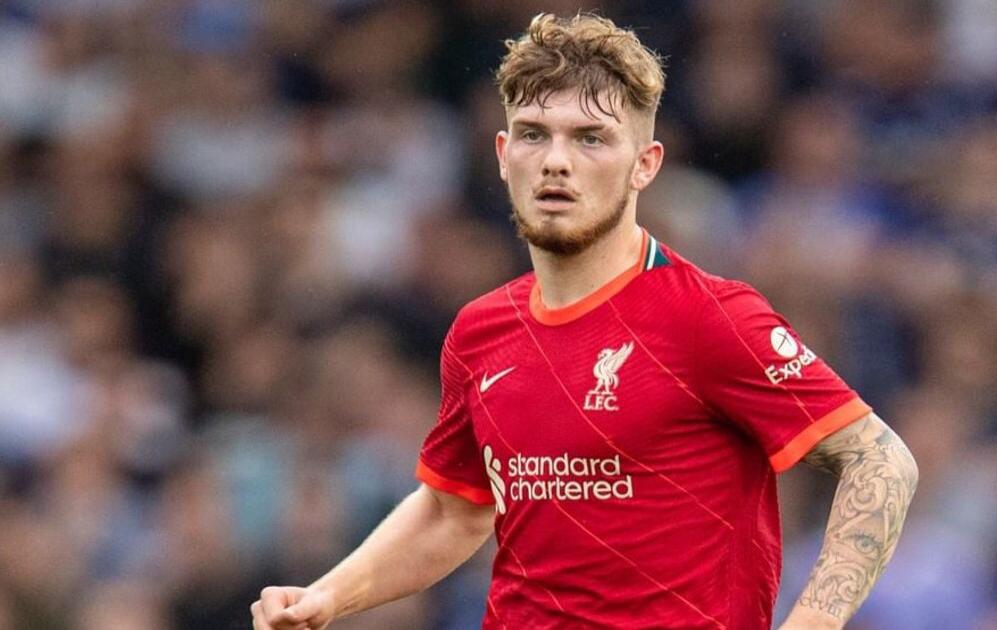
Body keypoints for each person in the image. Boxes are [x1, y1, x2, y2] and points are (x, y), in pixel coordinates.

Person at [251, 13, 918, 630]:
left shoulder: (706, 316)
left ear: (644, 165)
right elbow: (454, 510)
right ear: (503, 154)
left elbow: (879, 461)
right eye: (534, 134)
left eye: (590, 138)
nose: (556, 160)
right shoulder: (481, 331)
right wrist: (327, 597)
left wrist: (812, 622)